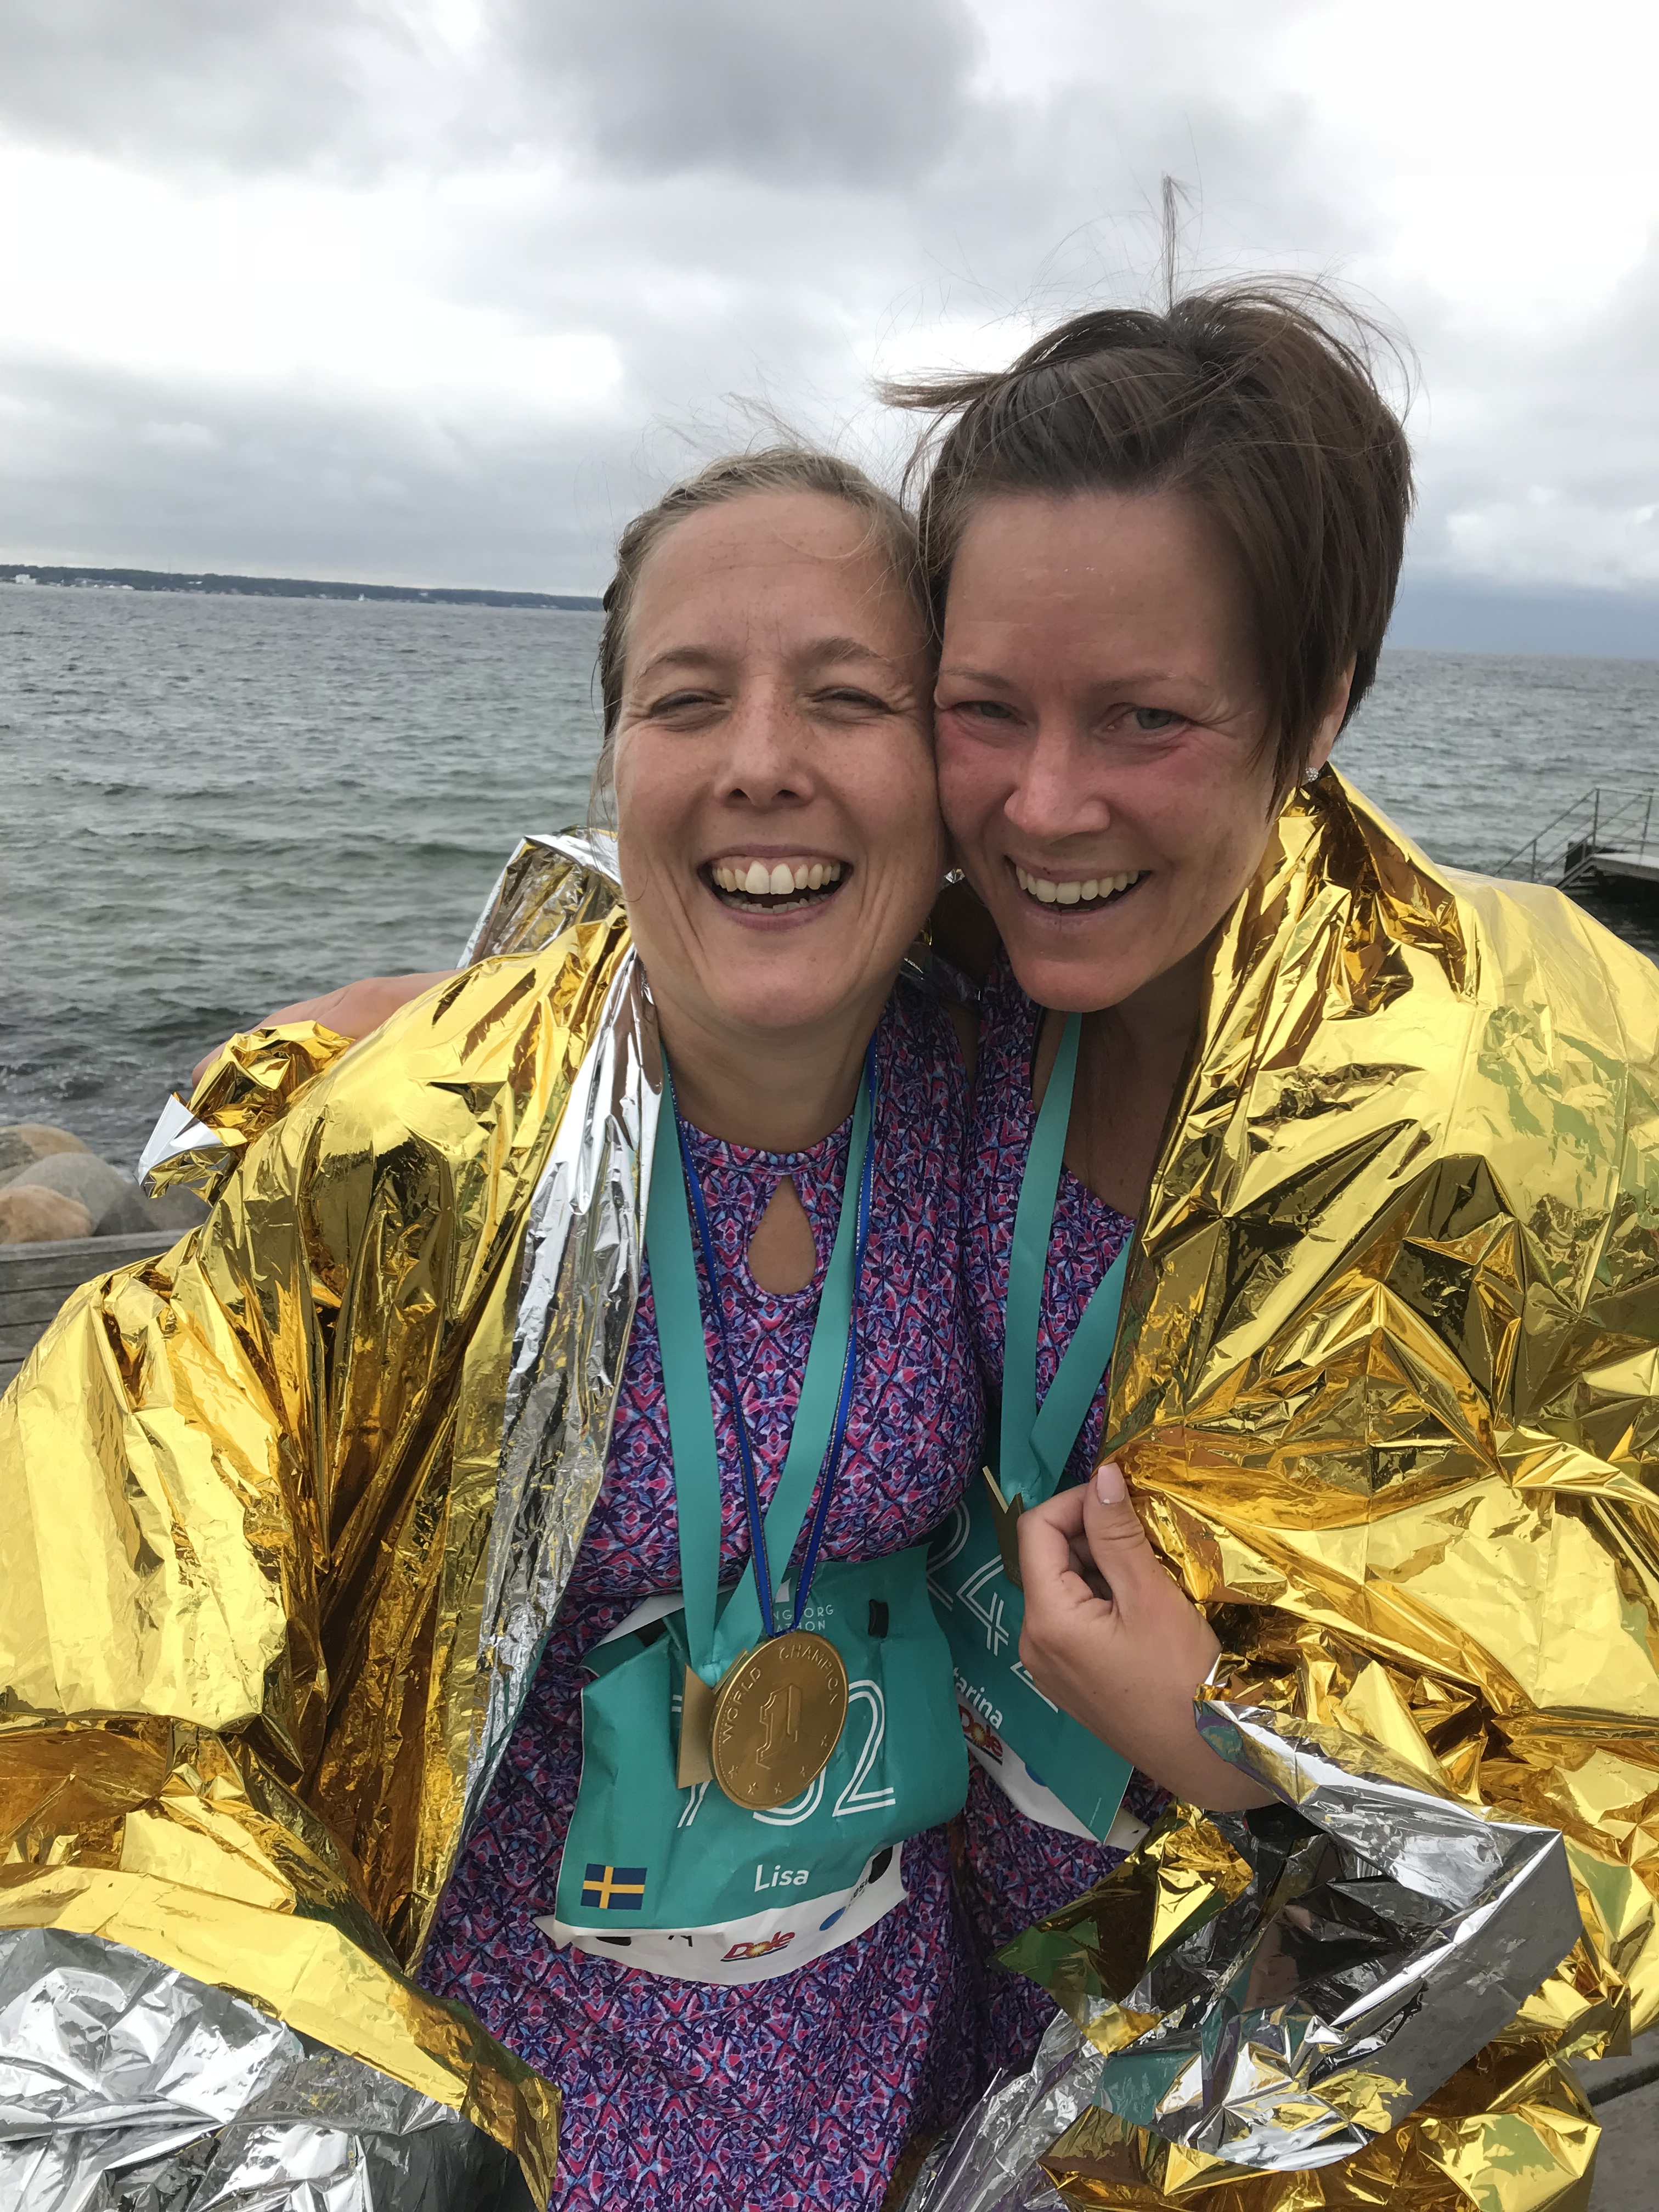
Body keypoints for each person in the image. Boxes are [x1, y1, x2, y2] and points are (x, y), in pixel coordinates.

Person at [0, 450, 992, 2211]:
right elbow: (129, 1619)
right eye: (687, 700)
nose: (762, 757)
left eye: (850, 698)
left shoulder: (1002, 1114)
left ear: (948, 765)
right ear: (617, 767)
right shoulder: (422, 1144)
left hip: (901, 2067)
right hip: (511, 2091)